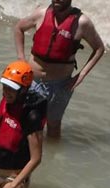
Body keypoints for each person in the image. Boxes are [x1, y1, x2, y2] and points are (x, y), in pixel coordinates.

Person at [14, 0, 105, 139]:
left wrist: (82, 75)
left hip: (61, 85)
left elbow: (99, 48)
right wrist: (21, 59)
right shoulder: (41, 14)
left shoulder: (82, 22)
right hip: (33, 81)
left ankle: (52, 156)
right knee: (25, 121)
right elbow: (19, 28)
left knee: (54, 125)